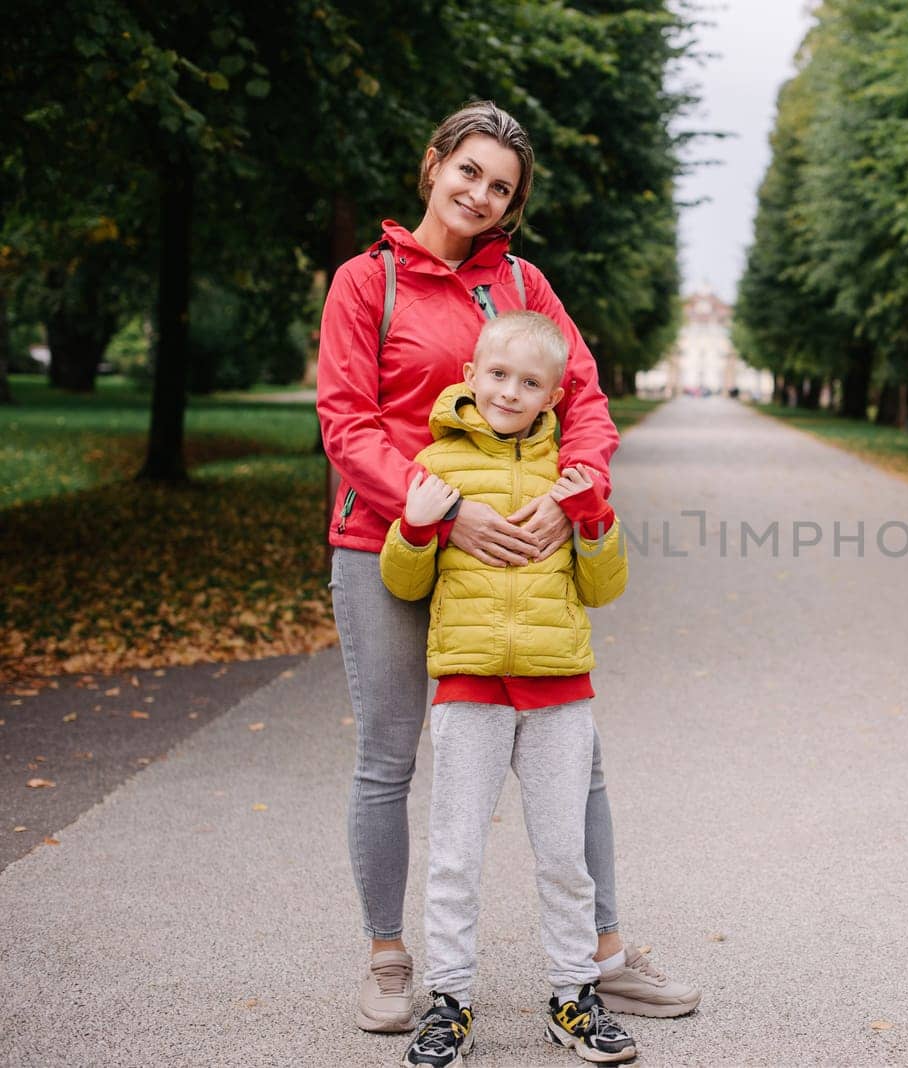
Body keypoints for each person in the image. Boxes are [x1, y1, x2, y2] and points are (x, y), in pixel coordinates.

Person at [316, 100, 699, 1036]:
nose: (481, 195)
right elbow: (346, 423)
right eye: (469, 171)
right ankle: (390, 960)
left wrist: (574, 498)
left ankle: (603, 959)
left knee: (580, 760)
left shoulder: (524, 284)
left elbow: (587, 398)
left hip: (518, 554)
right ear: (434, 164)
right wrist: (445, 513)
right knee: (388, 756)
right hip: (392, 542)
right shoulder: (368, 283)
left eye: (502, 187)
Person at [381, 311, 636, 1066]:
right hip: (470, 687)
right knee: (456, 853)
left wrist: (593, 522)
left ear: (554, 395)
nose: (510, 391)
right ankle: (449, 1002)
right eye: (497, 375)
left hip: (559, 690)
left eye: (530, 383)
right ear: (470, 376)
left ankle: (572, 995)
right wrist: (418, 529)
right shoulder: (436, 464)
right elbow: (403, 579)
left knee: (563, 853)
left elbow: (605, 586)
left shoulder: (573, 473)